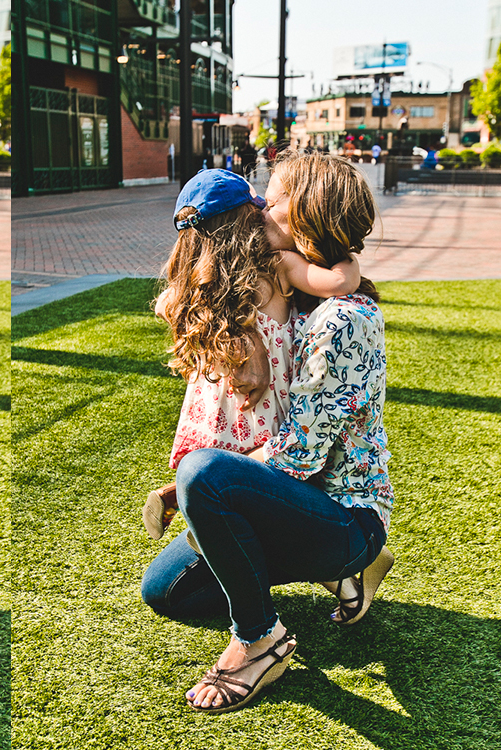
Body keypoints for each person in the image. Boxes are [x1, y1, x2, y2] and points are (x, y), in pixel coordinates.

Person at [141, 151, 394, 714]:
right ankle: (344, 575)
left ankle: (261, 639)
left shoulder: (343, 319)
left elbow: (301, 458)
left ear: (307, 214)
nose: (259, 208)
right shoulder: (291, 291)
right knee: (168, 590)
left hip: (340, 513)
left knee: (202, 473)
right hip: (290, 506)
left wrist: (194, 488)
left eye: (273, 199)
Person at [143, 169, 360, 540]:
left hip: (218, 416)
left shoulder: (196, 291)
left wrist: (232, 324)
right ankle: (209, 523)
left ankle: (190, 508)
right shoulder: (278, 266)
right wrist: (348, 255)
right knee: (267, 486)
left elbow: (166, 305)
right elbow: (341, 283)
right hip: (265, 409)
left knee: (219, 478)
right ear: (249, 217)